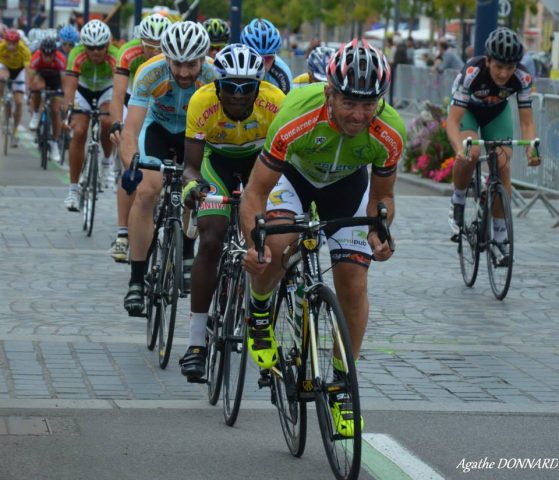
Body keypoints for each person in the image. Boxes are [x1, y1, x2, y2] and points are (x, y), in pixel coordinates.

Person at [240, 38, 406, 435]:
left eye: (369, 104)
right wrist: (255, 243)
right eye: (349, 102)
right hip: (292, 180)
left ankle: (342, 385)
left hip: (347, 185)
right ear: (329, 92)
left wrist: (380, 232)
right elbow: (255, 193)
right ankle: (260, 311)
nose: (359, 114)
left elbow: (382, 197)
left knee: (352, 280)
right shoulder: (296, 114)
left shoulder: (389, 131)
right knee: (277, 247)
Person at [177, 43, 285, 381]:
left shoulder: (276, 102)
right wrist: (194, 189)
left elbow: (286, 162)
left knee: (266, 240)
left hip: (260, 165)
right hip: (216, 165)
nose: (238, 95)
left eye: (247, 88)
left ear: (258, 87)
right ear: (217, 85)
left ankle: (259, 326)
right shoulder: (202, 101)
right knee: (210, 239)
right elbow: (192, 167)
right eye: (230, 87)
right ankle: (196, 344)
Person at [119, 21, 215, 317]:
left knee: (194, 185)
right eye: (177, 64)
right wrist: (133, 161)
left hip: (194, 135)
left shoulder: (215, 75)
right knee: (147, 191)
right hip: (158, 129)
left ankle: (187, 249)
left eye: (192, 64)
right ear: (166, 58)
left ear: (204, 58)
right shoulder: (150, 71)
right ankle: (136, 279)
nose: (184, 72)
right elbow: (131, 128)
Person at [446, 27, 540, 264]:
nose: (503, 74)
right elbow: (453, 122)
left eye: (509, 68)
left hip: (496, 114)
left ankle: (499, 238)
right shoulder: (471, 73)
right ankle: (457, 201)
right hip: (468, 113)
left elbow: (527, 122)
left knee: (503, 165)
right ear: (487, 60)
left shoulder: (523, 77)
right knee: (472, 152)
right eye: (498, 67)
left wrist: (532, 149)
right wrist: (459, 148)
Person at [108, 13, 171, 263]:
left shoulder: (175, 58)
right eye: (149, 46)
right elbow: (117, 94)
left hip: (164, 108)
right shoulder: (129, 53)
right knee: (131, 166)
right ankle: (123, 234)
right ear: (140, 42)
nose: (154, 51)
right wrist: (117, 124)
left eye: (160, 47)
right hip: (137, 101)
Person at [62, 20, 118, 211]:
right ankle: (73, 190)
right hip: (83, 91)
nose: (96, 52)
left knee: (108, 120)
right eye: (91, 47)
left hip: (106, 90)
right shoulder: (76, 54)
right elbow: (69, 86)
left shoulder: (115, 56)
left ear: (107, 45)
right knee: (79, 131)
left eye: (100, 47)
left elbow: (120, 88)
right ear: (84, 46)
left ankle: (105, 162)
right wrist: (68, 109)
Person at [27, 36, 66, 162]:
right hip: (42, 77)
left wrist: (64, 94)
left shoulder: (60, 58)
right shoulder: (37, 57)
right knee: (37, 87)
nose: (48, 57)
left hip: (56, 81)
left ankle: (54, 143)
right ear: (41, 51)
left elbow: (64, 80)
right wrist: (30, 90)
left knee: (55, 111)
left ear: (55, 52)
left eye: (51, 54)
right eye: (45, 54)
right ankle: (36, 114)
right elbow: (31, 76)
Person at [240, 18, 292, 94]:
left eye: (268, 58)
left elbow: (287, 104)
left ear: (274, 56)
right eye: (255, 57)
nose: (262, 64)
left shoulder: (282, 73)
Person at [0, 28, 31, 148]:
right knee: (3, 76)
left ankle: (15, 129)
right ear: (5, 41)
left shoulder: (24, 50)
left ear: (18, 43)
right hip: (5, 67)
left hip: (19, 71)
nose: (11, 46)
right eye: (9, 43)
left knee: (18, 102)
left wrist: (28, 85)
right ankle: (2, 101)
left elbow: (29, 70)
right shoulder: (1, 47)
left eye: (14, 44)